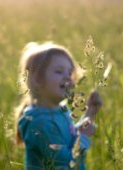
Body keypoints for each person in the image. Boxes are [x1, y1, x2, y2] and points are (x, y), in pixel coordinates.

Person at [15, 42, 102, 170]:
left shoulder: (60, 111)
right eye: (59, 71)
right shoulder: (38, 123)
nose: (68, 77)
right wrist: (83, 138)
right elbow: (65, 162)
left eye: (70, 72)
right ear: (37, 80)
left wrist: (90, 113)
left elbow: (69, 138)